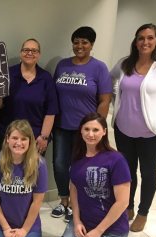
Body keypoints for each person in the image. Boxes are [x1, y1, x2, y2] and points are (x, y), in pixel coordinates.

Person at [110, 23, 156, 232]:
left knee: (148, 173)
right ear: (135, 41)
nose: (145, 42)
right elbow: (111, 80)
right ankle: (127, 207)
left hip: (151, 133)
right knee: (127, 172)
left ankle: (143, 213)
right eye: (141, 38)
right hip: (123, 130)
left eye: (150, 38)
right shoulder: (124, 63)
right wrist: (114, 102)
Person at [54, 112, 131, 237]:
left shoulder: (116, 159)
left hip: (110, 231)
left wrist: (98, 231)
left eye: (96, 129)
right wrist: (76, 220)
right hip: (83, 223)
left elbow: (123, 202)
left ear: (104, 132)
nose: (91, 134)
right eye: (87, 129)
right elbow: (74, 189)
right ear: (80, 131)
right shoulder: (78, 157)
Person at [51, 26, 112, 222]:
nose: (79, 46)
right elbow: (53, 95)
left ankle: (80, 205)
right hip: (62, 126)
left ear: (91, 45)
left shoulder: (99, 68)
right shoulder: (62, 65)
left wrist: (96, 127)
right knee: (60, 165)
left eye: (84, 42)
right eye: (76, 41)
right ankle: (64, 202)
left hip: (86, 131)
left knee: (82, 168)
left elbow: (104, 100)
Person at [0, 38, 58, 154]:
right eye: (26, 50)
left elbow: (50, 112)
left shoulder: (46, 78)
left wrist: (44, 137)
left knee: (32, 172)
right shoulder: (7, 74)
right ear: (20, 53)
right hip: (9, 137)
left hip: (35, 138)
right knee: (7, 171)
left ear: (39, 54)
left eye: (34, 51)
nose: (30, 53)